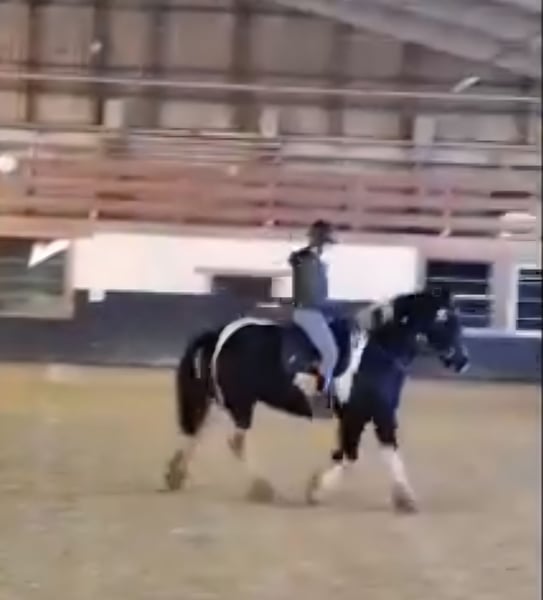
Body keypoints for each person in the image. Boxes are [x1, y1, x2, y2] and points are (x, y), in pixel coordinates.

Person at [289, 220, 339, 400]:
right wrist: (331, 309)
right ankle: (320, 395)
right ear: (320, 241)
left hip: (312, 310)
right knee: (331, 354)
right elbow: (313, 295)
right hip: (309, 312)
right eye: (327, 243)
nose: (328, 248)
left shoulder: (312, 260)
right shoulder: (308, 261)